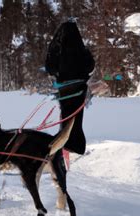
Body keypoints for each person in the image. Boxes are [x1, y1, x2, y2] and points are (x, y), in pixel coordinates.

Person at [45, 20, 95, 155]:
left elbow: (50, 67)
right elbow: (90, 66)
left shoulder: (56, 49)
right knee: (76, 118)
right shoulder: (81, 48)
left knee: (66, 116)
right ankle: (76, 145)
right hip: (79, 89)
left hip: (64, 89)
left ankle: (65, 142)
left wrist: (58, 73)